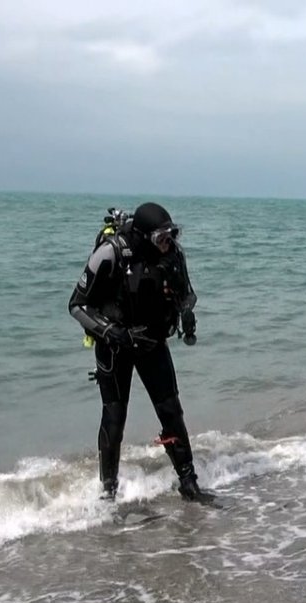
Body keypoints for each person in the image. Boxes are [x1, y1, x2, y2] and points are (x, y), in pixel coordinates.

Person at [69, 202, 204, 502]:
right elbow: (76, 305)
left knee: (171, 411)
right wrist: (113, 332)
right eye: (161, 238)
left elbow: (187, 293)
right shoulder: (112, 253)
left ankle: (189, 482)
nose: (167, 243)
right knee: (115, 417)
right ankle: (108, 492)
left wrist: (186, 312)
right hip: (115, 345)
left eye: (171, 235)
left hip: (152, 341)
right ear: (143, 236)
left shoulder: (173, 254)